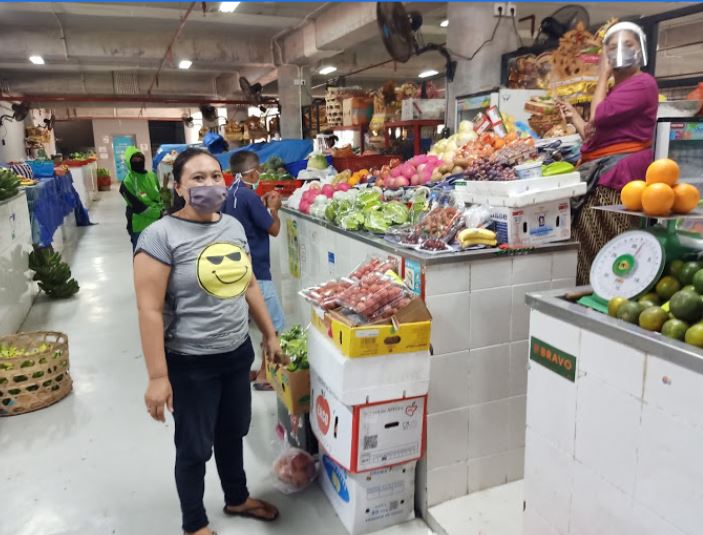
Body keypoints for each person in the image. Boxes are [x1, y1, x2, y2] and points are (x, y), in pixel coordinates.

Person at [133, 148, 280, 535]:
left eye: (215, 175)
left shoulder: (231, 226)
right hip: (190, 362)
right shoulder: (159, 236)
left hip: (236, 354)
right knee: (195, 448)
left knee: (233, 432)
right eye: (197, 178)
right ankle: (194, 524)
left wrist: (269, 334)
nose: (210, 184)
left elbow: (247, 283)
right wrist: (157, 376)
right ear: (179, 186)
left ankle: (237, 498)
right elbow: (149, 310)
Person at [556, 22, 659, 285]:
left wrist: (602, 74)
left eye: (628, 45)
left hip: (617, 179)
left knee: (607, 246)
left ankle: (606, 298)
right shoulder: (619, 89)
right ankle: (588, 300)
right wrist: (575, 118)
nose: (620, 51)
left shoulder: (643, 83)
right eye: (612, 47)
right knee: (586, 245)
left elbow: (600, 116)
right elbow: (593, 134)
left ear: (641, 50)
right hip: (604, 173)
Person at [223, 151, 285, 391]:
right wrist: (274, 209)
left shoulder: (231, 194)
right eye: (258, 169)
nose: (260, 173)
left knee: (250, 323)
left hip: (236, 270)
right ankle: (265, 375)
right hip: (257, 270)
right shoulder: (248, 196)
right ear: (251, 173)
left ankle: (255, 368)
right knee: (273, 324)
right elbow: (274, 229)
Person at [119, 146, 165, 251]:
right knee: (141, 255)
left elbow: (159, 196)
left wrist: (163, 208)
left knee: (158, 254)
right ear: (129, 162)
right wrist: (159, 213)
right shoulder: (127, 183)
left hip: (157, 224)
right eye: (134, 160)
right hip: (139, 226)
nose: (138, 161)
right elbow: (138, 206)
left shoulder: (152, 176)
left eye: (140, 158)